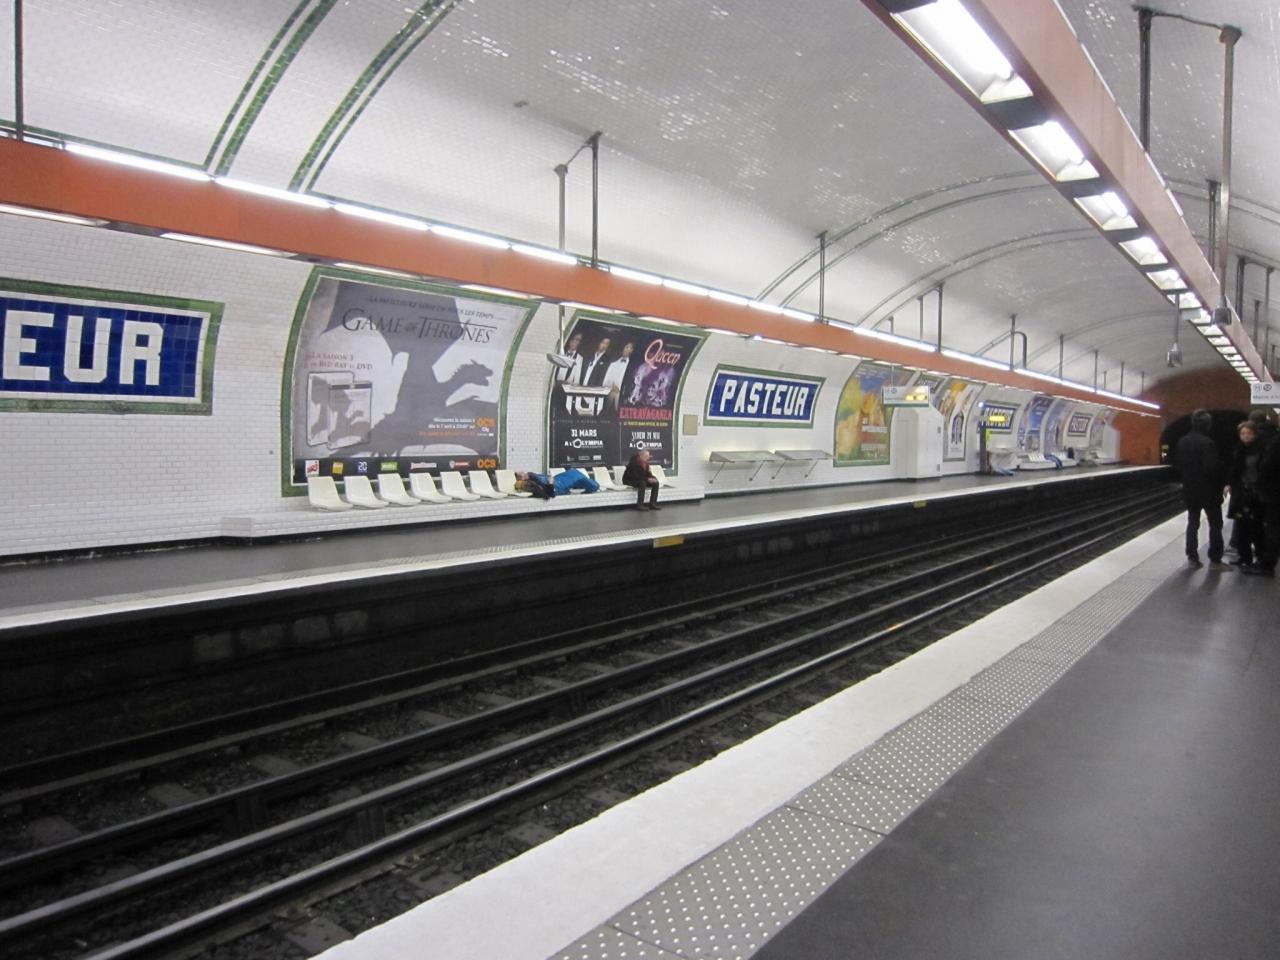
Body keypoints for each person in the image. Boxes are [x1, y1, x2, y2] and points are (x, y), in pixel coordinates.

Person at [1173, 408, 1225, 568]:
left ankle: (1192, 558)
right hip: (1209, 491)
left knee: (1193, 523)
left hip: (1190, 489)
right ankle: (1215, 559)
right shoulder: (1208, 443)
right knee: (1215, 524)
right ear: (1208, 425)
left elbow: (1178, 465)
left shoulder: (1182, 441)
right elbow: (1211, 468)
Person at [1225, 421, 1264, 569]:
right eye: (1243, 433)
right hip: (1241, 493)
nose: (1245, 436)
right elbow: (1234, 470)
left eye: (1249, 433)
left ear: (1255, 434)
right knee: (1241, 525)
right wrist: (1229, 484)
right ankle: (1244, 557)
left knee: (1256, 526)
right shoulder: (1238, 450)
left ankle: (1261, 558)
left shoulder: (1261, 450)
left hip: (1256, 492)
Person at [1246, 409, 1279, 577]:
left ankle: (1266, 564)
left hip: (1270, 492)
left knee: (1269, 527)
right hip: (1272, 490)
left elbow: (1265, 467)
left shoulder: (1269, 442)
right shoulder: (1274, 437)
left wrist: (1255, 481)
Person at [514, 469, 600, 498]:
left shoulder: (534, 482)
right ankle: (593, 486)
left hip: (556, 482)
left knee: (574, 473)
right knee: (576, 475)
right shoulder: (535, 487)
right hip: (557, 485)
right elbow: (550, 494)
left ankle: (592, 486)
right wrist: (551, 483)